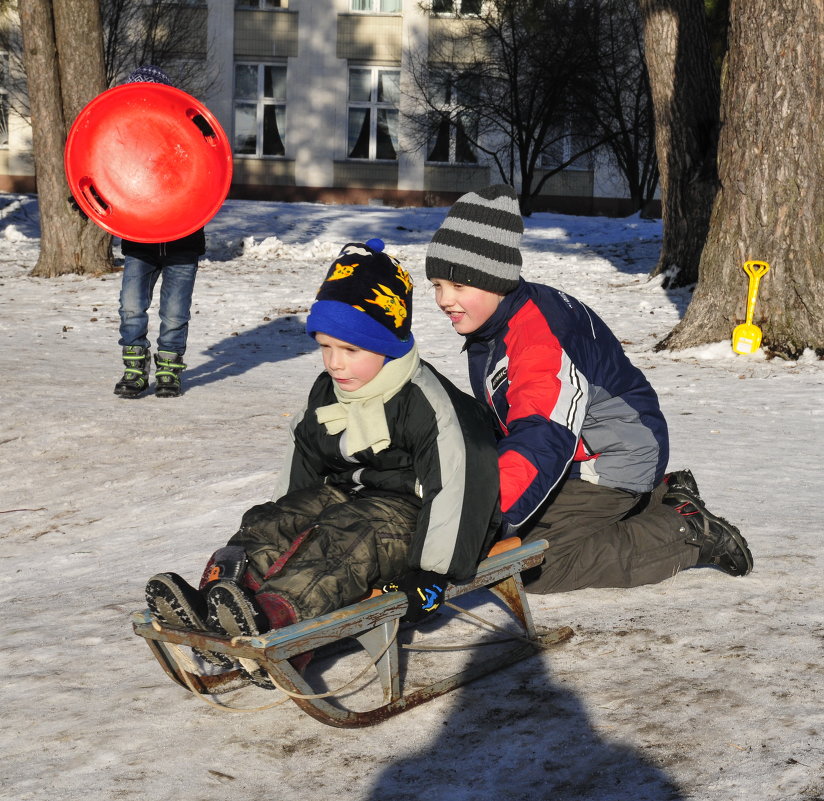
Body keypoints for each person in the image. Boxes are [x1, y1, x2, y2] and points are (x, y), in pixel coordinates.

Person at [145, 239, 501, 686]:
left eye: (351, 350)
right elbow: (302, 464)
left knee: (346, 537)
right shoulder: (328, 390)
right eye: (326, 347)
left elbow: (461, 487)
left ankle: (281, 624)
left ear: (387, 345)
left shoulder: (429, 404)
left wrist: (430, 574)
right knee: (270, 520)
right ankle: (218, 599)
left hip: (413, 519)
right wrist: (284, 517)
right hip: (349, 497)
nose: (335, 363)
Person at [425, 184, 753, 594]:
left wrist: (484, 517)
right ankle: (660, 496)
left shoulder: (537, 340)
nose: (444, 299)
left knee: (527, 563)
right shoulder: (503, 317)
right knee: (508, 539)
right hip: (590, 447)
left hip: (615, 457)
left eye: (459, 286)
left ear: (497, 279)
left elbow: (542, 435)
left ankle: (684, 530)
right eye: (437, 285)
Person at [113, 65, 205, 399]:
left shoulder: (186, 138)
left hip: (184, 239)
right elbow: (110, 175)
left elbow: (208, 174)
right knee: (131, 305)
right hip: (140, 240)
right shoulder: (124, 142)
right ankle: (135, 369)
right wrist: (89, 199)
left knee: (176, 312)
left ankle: (169, 370)